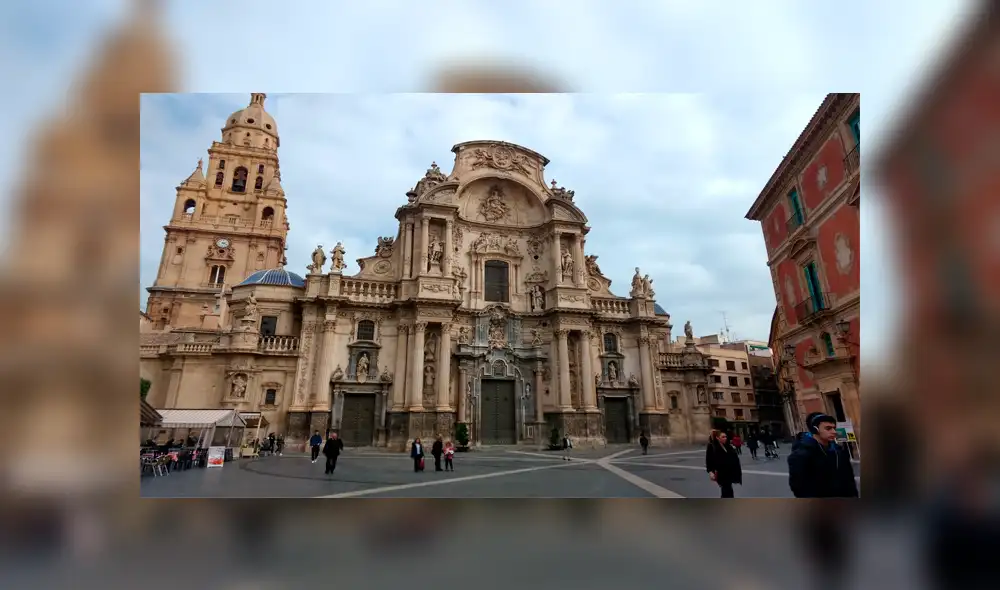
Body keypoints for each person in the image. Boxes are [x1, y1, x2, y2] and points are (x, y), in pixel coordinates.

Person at [787, 412, 859, 498]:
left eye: (834, 428)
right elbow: (799, 487)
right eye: (828, 428)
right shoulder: (801, 454)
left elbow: (849, 479)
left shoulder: (839, 451)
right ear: (815, 430)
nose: (834, 432)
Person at [705, 430, 742, 498]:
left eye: (726, 436)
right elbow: (708, 460)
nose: (725, 438)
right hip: (721, 473)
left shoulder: (727, 446)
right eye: (723, 437)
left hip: (729, 473)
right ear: (717, 438)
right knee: (727, 490)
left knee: (728, 491)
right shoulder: (712, 446)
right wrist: (710, 472)